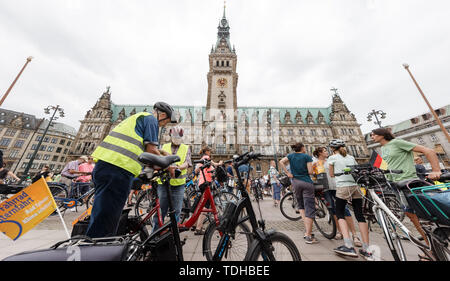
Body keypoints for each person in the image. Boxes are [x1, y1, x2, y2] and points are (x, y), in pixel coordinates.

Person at [85, 102, 177, 238]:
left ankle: (94, 245)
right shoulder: (151, 119)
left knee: (101, 214)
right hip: (118, 169)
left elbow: (141, 146)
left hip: (106, 166)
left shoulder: (139, 117)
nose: (163, 125)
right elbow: (150, 150)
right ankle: (96, 250)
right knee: (107, 219)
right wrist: (168, 167)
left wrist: (162, 152)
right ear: (162, 115)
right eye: (165, 122)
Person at [370, 127, 442, 258]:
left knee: (421, 218)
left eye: (374, 134)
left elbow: (429, 151)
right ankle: (431, 250)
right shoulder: (384, 148)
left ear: (383, 134)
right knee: (413, 218)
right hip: (395, 184)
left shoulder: (397, 142)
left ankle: (434, 249)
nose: (371, 136)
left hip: (408, 183)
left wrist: (436, 170)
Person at [327, 139, 372, 260]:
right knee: (360, 215)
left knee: (340, 213)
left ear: (332, 149)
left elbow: (331, 174)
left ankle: (348, 245)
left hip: (343, 187)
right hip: (355, 186)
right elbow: (356, 170)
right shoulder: (351, 157)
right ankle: (366, 248)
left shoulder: (332, 158)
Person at [312, 147, 361, 245]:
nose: (327, 152)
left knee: (345, 209)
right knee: (332, 210)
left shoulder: (331, 159)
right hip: (325, 189)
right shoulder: (315, 162)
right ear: (319, 153)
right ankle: (340, 231)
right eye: (325, 151)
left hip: (337, 186)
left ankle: (354, 235)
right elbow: (313, 175)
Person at [152, 125, 192, 232]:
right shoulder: (164, 146)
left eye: (179, 136)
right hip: (164, 183)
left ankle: (173, 236)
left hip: (179, 185)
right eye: (175, 136)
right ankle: (154, 233)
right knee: (161, 211)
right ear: (171, 135)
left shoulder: (185, 147)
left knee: (176, 212)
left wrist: (178, 167)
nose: (177, 138)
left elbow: (187, 163)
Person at [279, 142, 318, 244]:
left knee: (301, 206)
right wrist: (314, 168)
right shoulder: (306, 156)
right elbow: (310, 172)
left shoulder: (291, 156)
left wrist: (288, 173)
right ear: (302, 148)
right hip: (306, 182)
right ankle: (308, 235)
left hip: (295, 183)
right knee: (309, 208)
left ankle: (307, 230)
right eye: (304, 146)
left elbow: (281, 162)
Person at [193, 146, 222, 235]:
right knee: (206, 206)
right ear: (207, 151)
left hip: (201, 183)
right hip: (206, 183)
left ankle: (194, 224)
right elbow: (214, 165)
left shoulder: (202, 159)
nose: (210, 153)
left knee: (200, 204)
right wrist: (220, 163)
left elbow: (196, 170)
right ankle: (198, 228)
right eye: (210, 151)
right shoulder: (206, 158)